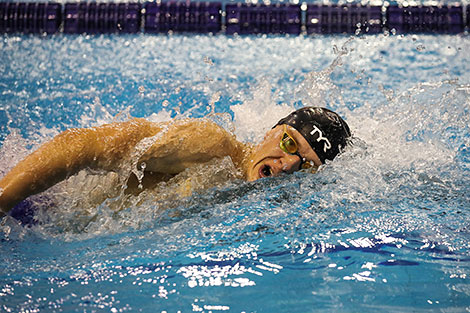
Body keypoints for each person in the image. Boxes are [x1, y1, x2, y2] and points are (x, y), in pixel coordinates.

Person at [0, 106, 351, 217]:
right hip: (33, 208)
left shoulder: (260, 201)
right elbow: (80, 144)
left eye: (305, 164)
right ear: (270, 132)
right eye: (289, 142)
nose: (288, 164)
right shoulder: (211, 146)